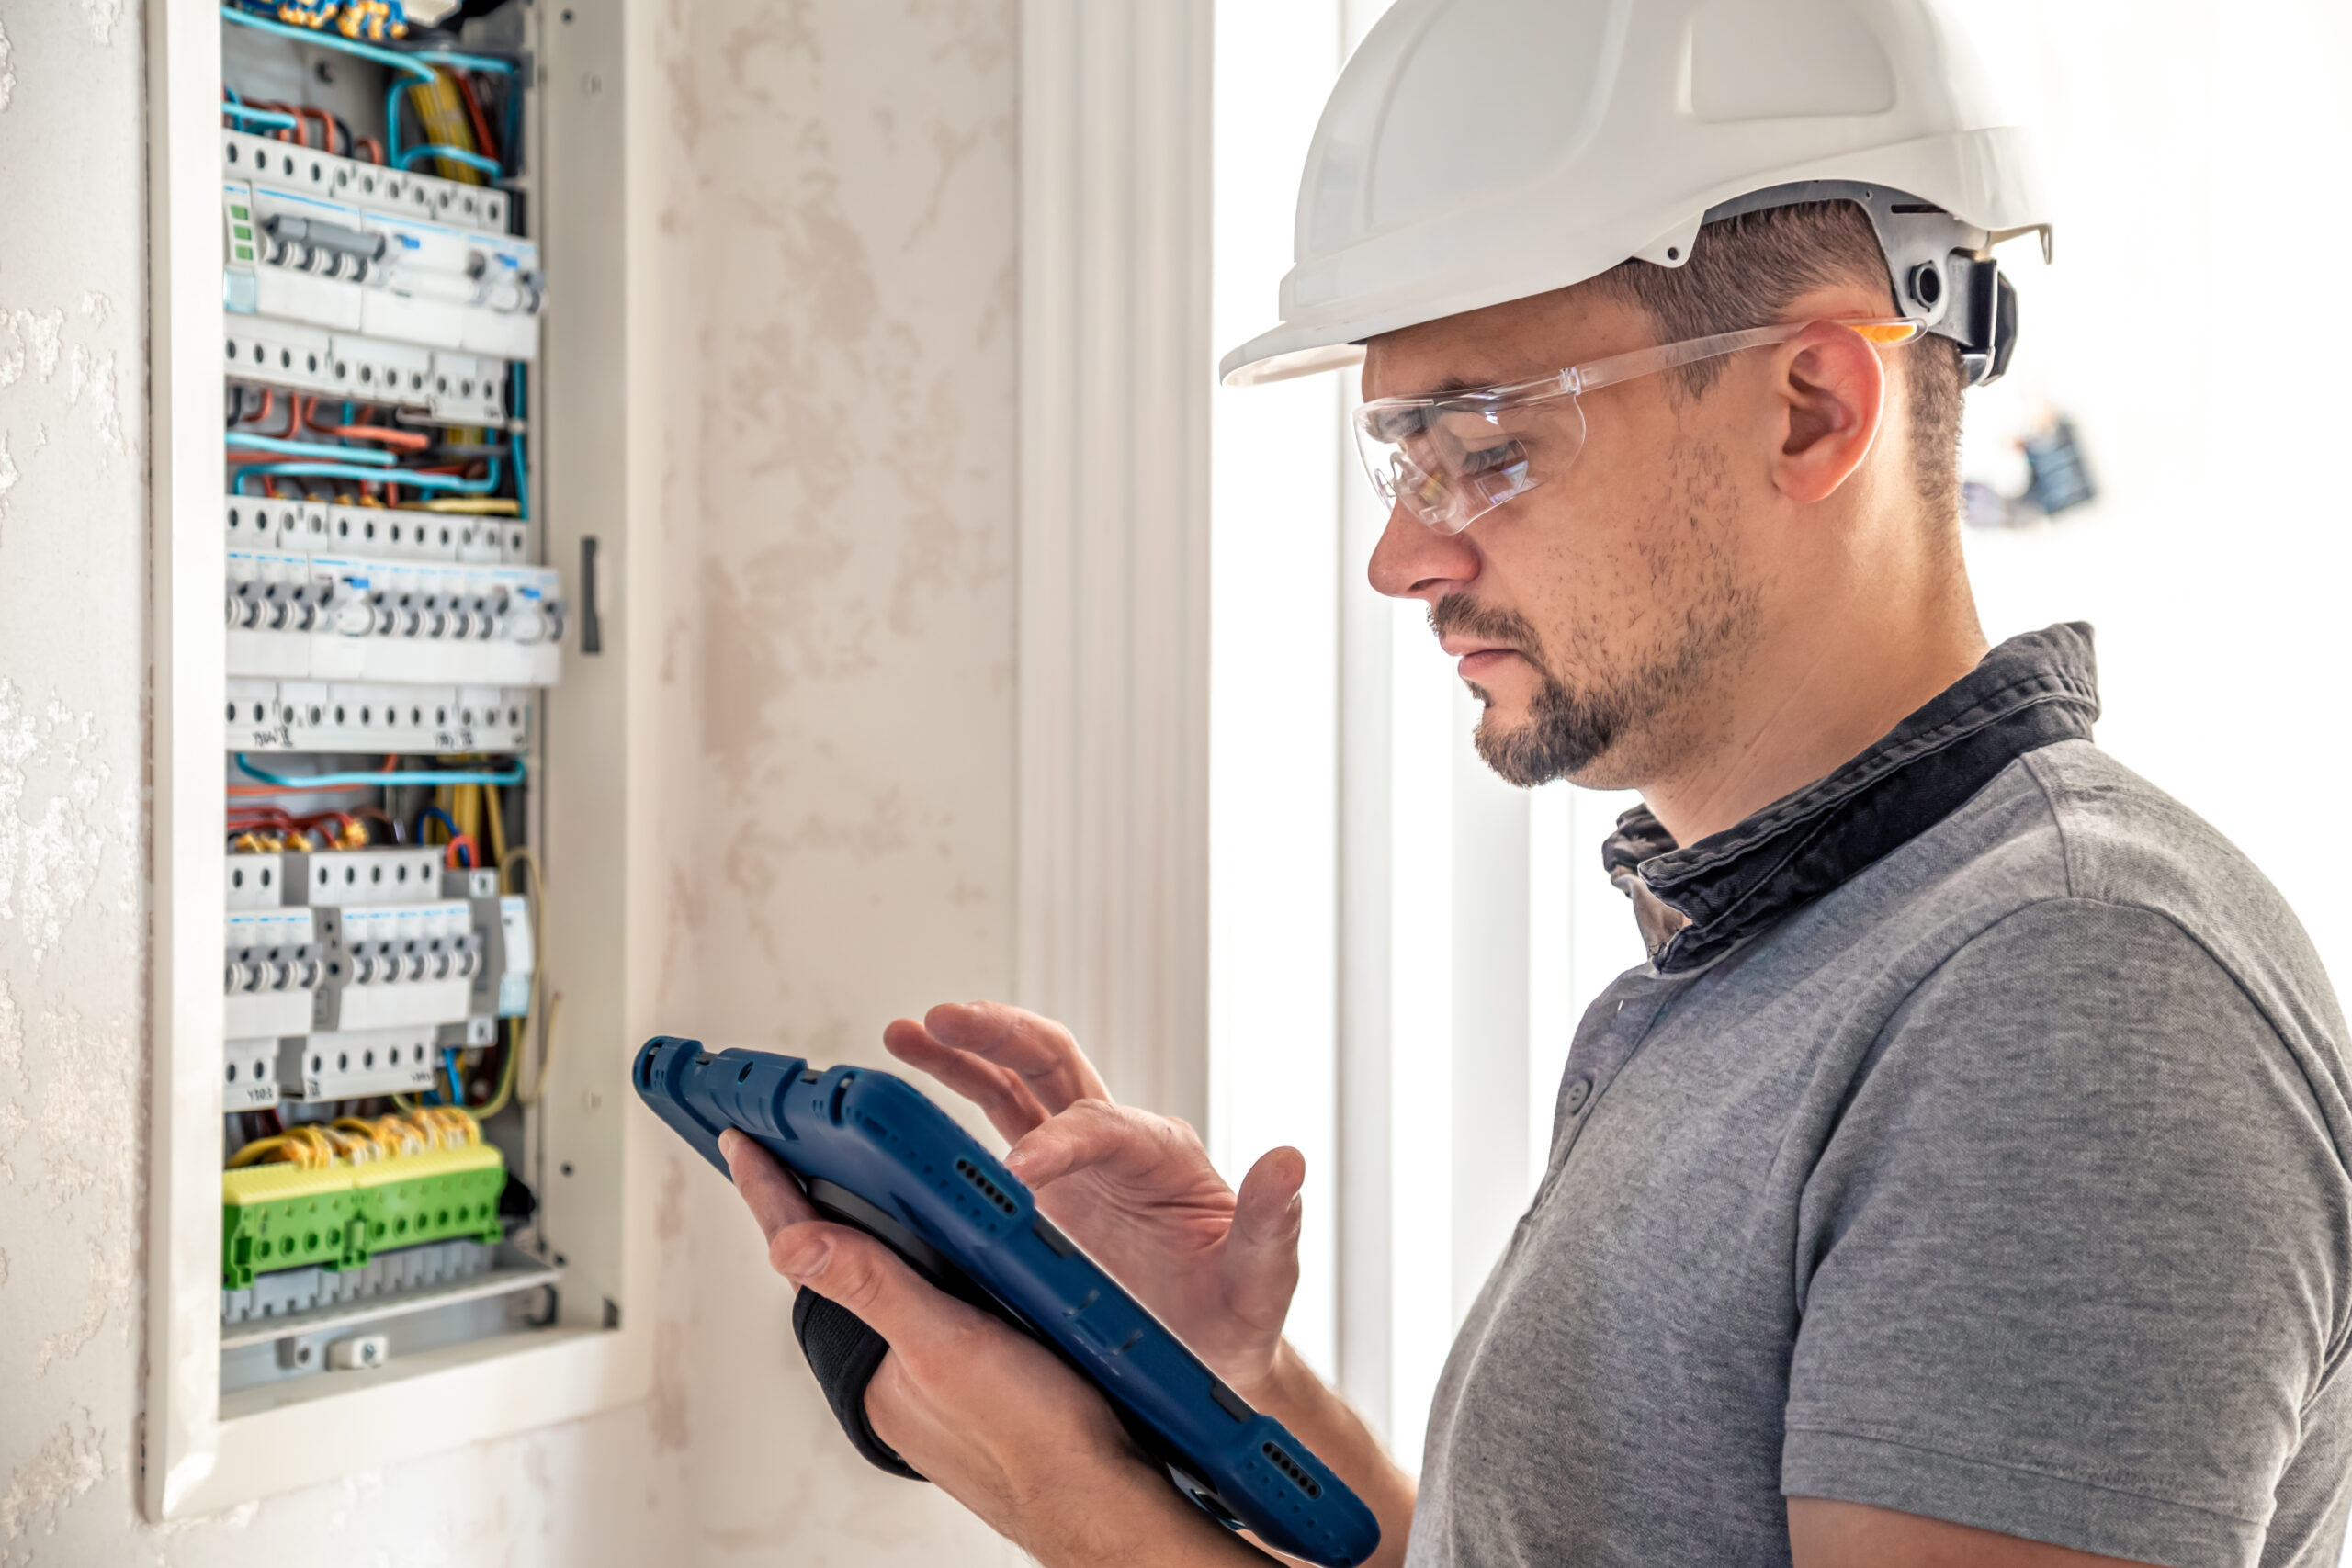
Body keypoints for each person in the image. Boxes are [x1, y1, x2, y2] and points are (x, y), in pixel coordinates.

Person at [725, 2, 2352, 1563]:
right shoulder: (1775, 956)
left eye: (1484, 440)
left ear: (1811, 406)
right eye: (1401, 455)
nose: (1399, 554)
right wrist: (1229, 1395)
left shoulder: (2068, 999)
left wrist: (1074, 1508)